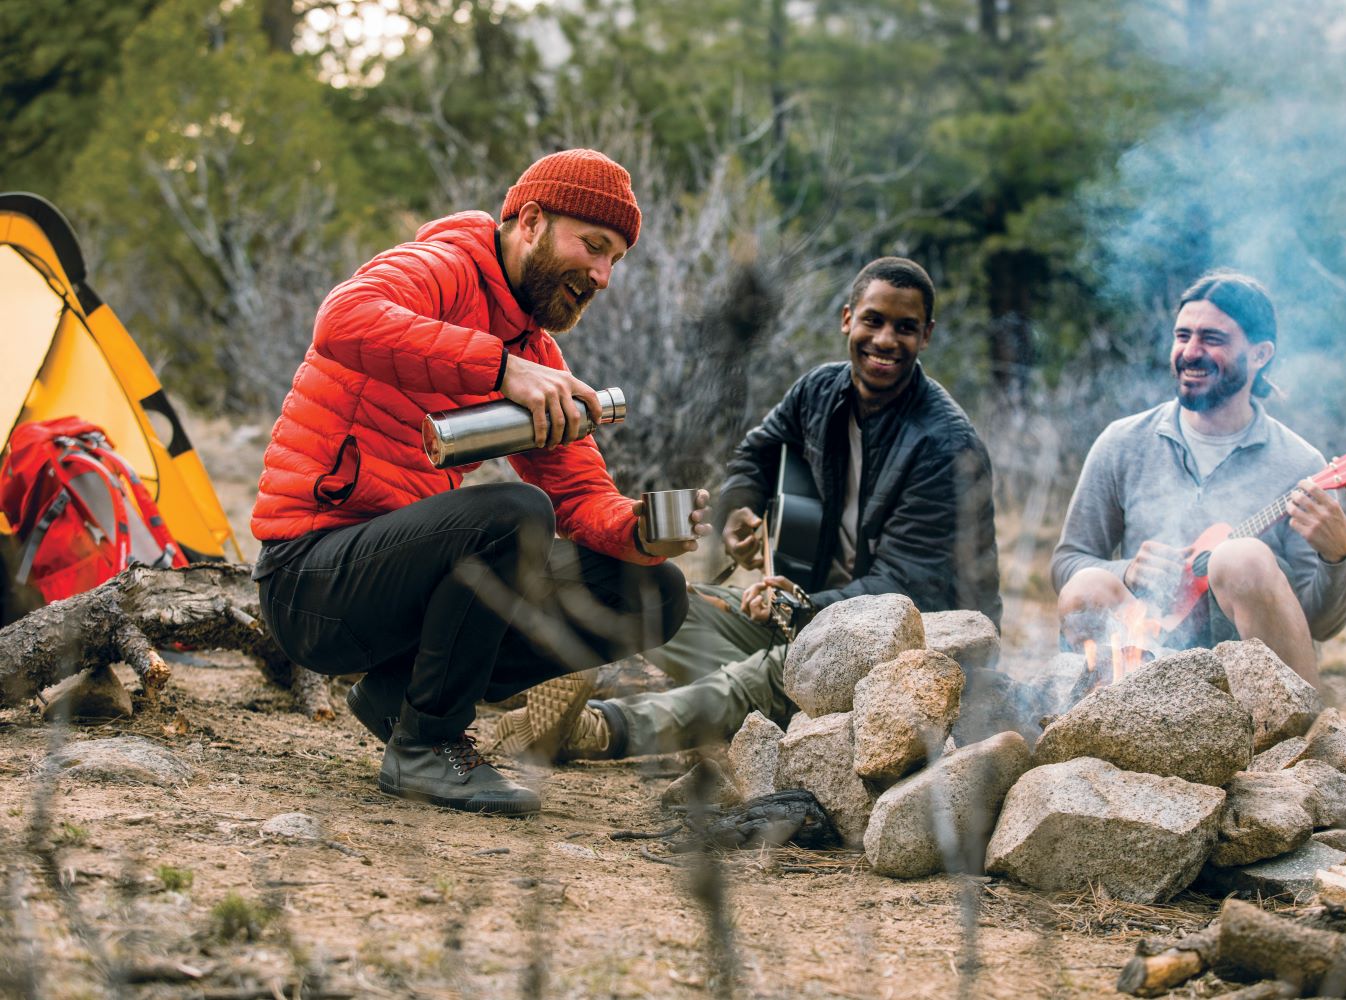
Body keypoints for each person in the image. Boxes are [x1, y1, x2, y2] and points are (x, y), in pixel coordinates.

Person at [250, 149, 709, 816]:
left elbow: (581, 496)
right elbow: (341, 321)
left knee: (653, 593)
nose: (604, 276)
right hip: (310, 580)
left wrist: (636, 532)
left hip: (394, 593)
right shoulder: (440, 267)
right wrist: (498, 370)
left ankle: (404, 696)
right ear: (529, 221)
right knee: (513, 514)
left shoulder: (534, 350)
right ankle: (425, 748)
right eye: (594, 246)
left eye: (616, 259)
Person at [495, 256, 1002, 761]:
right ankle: (761, 698)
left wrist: (799, 603)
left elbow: (908, 588)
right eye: (874, 320)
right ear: (848, 319)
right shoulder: (820, 391)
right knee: (662, 599)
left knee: (762, 676)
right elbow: (755, 456)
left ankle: (598, 728)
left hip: (906, 651)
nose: (886, 340)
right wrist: (740, 508)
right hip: (808, 613)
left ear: (927, 335)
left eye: (905, 328)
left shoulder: (945, 446)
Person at [1051, 269, 1346, 684]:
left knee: (1240, 557)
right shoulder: (1123, 442)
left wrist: (1337, 558)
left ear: (1260, 354)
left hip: (1251, 679)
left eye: (1212, 339)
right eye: (1182, 336)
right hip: (1150, 665)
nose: (1190, 352)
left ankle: (1295, 739)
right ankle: (1112, 729)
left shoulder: (1299, 464)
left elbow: (1320, 626)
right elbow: (1068, 562)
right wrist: (1127, 571)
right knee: (1088, 585)